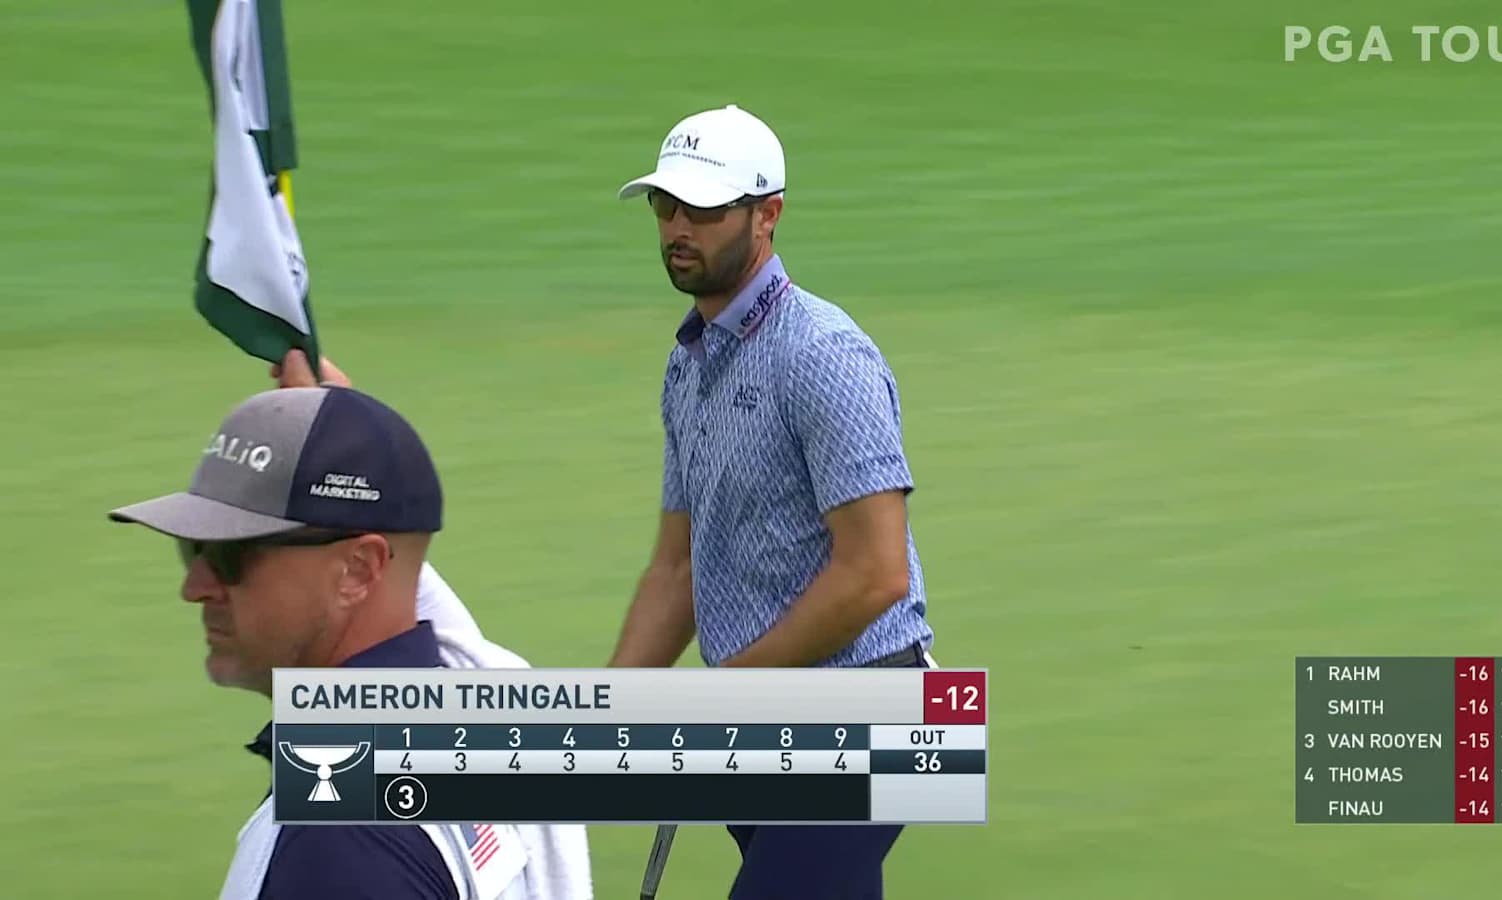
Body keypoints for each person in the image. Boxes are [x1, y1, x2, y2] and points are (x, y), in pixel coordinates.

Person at [611, 103, 937, 900]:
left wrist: (730, 688)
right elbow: (677, 569)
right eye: (665, 206)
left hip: (873, 709)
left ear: (768, 215)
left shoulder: (823, 354)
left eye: (704, 210)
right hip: (763, 723)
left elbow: (877, 574)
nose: (677, 227)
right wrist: (598, 715)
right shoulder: (687, 363)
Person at [108, 385, 592, 900]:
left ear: (358, 570)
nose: (195, 587)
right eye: (193, 549)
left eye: (232, 555)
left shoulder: (336, 845)